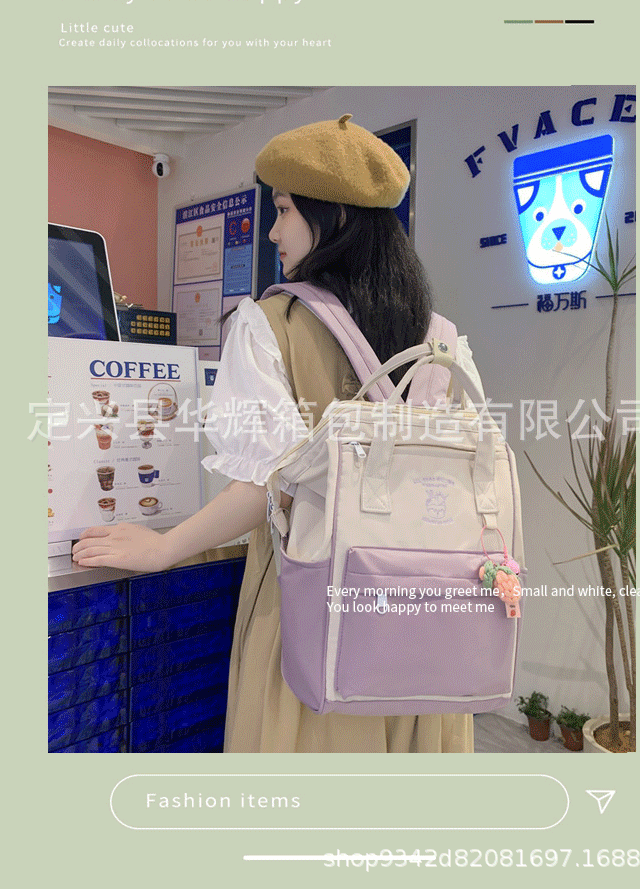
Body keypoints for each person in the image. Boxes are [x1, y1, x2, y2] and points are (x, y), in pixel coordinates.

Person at [73, 114, 485, 753]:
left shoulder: (268, 323)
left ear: (335, 217)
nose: (272, 230)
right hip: (422, 611)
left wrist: (163, 548)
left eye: (286, 209)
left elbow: (269, 484)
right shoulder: (440, 337)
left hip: (313, 602)